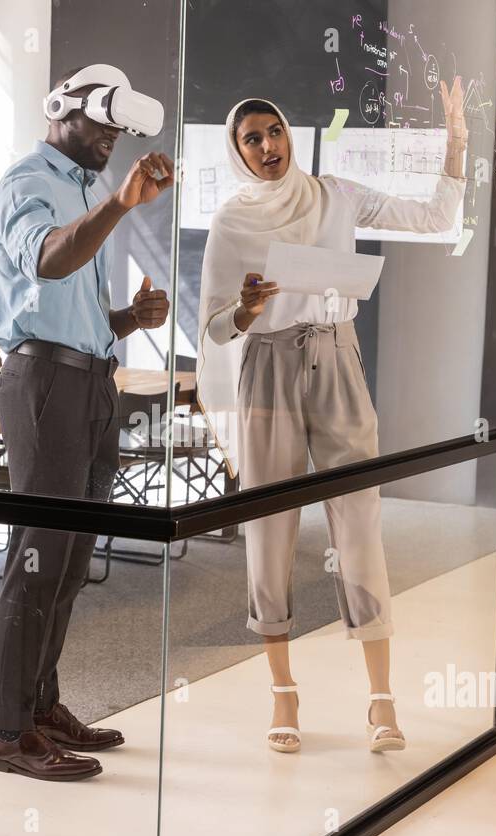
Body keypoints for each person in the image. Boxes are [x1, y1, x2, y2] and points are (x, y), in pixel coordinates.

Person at [195, 82, 468, 754]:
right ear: (238, 151)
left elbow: (434, 217)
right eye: (252, 139)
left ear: (290, 133)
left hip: (338, 361)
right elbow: (214, 324)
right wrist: (250, 310)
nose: (267, 146)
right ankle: (283, 694)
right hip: (268, 370)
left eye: (274, 132)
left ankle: (382, 700)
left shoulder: (336, 195)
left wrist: (456, 139)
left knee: (361, 526)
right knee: (271, 528)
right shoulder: (232, 222)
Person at [0, 64, 174, 782]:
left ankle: (40, 705)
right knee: (34, 563)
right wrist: (124, 204)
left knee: (67, 563)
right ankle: (7, 733)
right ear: (62, 110)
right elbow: (48, 260)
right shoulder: (27, 183)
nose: (111, 141)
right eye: (102, 125)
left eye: (118, 131)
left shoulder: (86, 188)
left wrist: (130, 317)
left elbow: (78, 312)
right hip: (43, 387)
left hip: (91, 383)